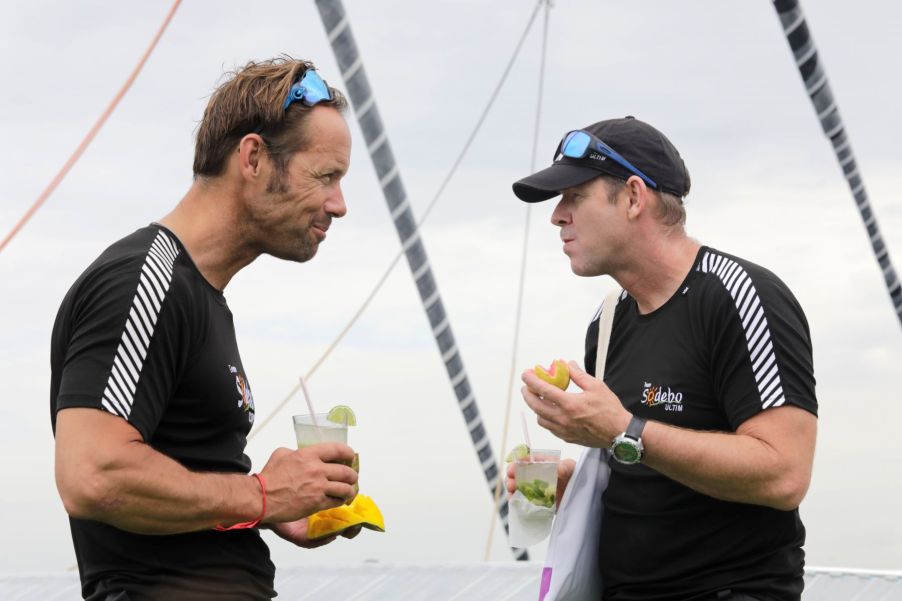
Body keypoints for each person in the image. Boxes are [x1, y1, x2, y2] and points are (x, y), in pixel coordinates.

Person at [51, 57, 359, 601]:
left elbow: (181, 486)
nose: (339, 204)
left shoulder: (200, 296)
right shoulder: (145, 280)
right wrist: (263, 495)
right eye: (325, 176)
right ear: (254, 157)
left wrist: (273, 510)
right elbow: (93, 474)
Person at [509, 116, 818, 601]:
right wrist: (579, 490)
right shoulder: (608, 320)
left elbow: (784, 475)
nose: (557, 216)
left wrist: (622, 431)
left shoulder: (741, 296)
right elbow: (638, 458)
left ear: (633, 197)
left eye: (574, 196)